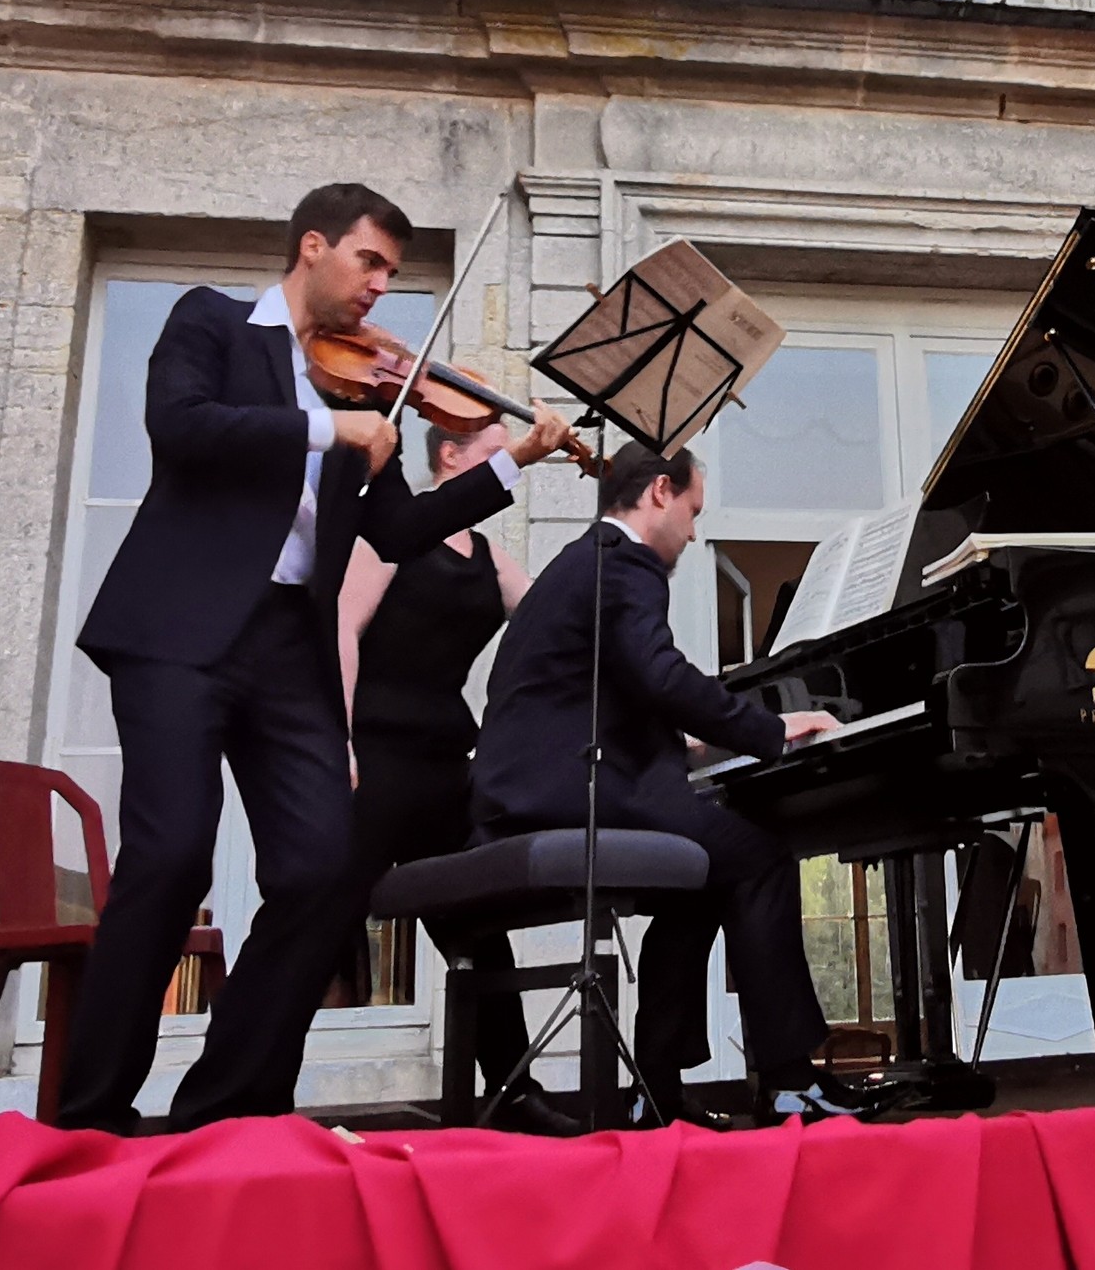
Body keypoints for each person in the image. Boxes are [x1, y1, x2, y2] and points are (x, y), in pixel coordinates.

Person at [56, 182, 578, 1136]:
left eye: (390, 269)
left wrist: (511, 466)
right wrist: (320, 427)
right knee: (171, 855)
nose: (381, 287)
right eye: (369, 261)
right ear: (313, 247)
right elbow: (179, 424)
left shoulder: (362, 388)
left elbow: (401, 525)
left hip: (285, 646)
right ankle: (90, 1113)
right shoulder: (212, 323)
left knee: (318, 866)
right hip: (179, 629)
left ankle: (228, 1103)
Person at [468, 441, 856, 1125]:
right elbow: (662, 674)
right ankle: (790, 1079)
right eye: (693, 509)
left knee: (700, 871)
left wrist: (692, 740)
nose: (694, 530)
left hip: (524, 789)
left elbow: (602, 691)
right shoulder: (628, 565)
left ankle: (656, 1091)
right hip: (567, 794)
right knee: (758, 855)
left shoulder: (578, 562)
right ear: (658, 493)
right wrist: (770, 729)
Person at [320, 421, 579, 1137]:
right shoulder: (397, 533)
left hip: (444, 763)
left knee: (478, 924)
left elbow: (552, 618)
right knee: (318, 915)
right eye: (494, 450)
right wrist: (336, 739)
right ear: (452, 456)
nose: (505, 462)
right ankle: (247, 1083)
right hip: (373, 755)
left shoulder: (492, 556)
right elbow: (341, 624)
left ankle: (513, 1091)